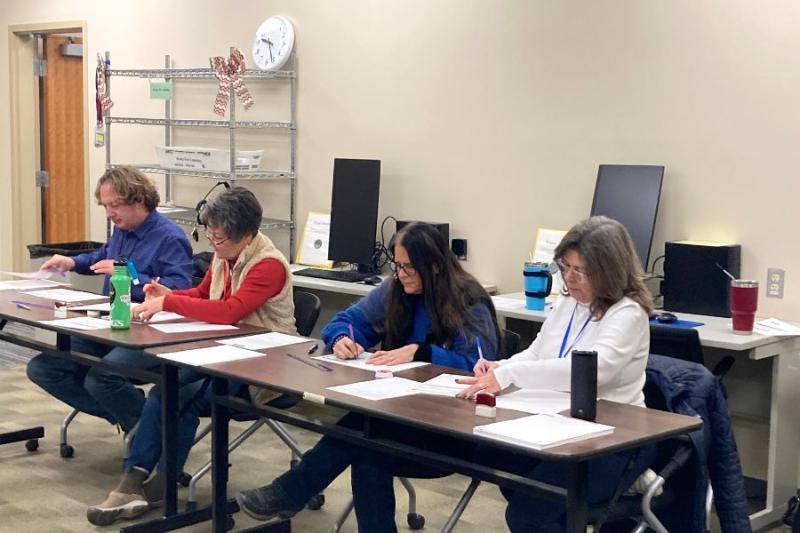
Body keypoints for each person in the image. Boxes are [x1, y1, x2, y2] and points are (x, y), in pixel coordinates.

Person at [235, 221, 500, 531]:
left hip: (448, 429)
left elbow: (478, 366)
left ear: (436, 267)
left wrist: (422, 352)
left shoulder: (468, 300)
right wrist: (341, 339)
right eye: (397, 266)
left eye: (408, 268)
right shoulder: (396, 288)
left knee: (364, 437)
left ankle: (289, 492)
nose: (400, 275)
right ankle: (290, 492)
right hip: (398, 415)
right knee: (367, 445)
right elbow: (346, 321)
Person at [86, 186, 297, 526]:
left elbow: (230, 311)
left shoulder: (268, 265)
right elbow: (202, 294)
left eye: (219, 238)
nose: (213, 244)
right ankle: (142, 481)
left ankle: (148, 484)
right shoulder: (225, 255)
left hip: (263, 369)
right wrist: (168, 292)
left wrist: (168, 303)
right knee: (168, 390)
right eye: (210, 236)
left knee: (175, 394)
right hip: (222, 354)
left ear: (246, 234)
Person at [457, 215, 655, 532]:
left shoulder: (628, 312)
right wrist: (501, 367)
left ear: (610, 270)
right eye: (565, 267)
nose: (570, 279)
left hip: (613, 441)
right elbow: (538, 352)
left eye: (581, 271)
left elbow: (591, 371)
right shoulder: (569, 302)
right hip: (558, 425)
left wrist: (512, 376)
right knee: (498, 463)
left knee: (527, 513)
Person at [26, 166, 192, 434]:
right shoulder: (122, 231)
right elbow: (101, 258)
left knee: (100, 378)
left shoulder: (169, 237)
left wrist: (131, 275)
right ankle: (137, 418)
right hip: (110, 325)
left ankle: (151, 434)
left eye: (114, 205)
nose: (109, 214)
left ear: (138, 200)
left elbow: (180, 289)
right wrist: (70, 261)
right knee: (43, 368)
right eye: (105, 206)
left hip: (147, 333)